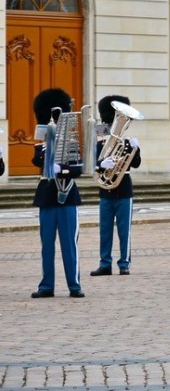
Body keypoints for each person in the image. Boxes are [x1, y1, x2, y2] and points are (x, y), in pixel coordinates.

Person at [31, 88, 85, 298]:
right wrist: (48, 152)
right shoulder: (41, 146)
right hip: (47, 196)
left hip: (67, 195)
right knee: (47, 246)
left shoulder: (71, 144)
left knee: (69, 244)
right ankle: (46, 286)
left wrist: (60, 169)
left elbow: (77, 170)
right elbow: (36, 160)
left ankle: (74, 284)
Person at [90, 95, 142, 277]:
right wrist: (100, 165)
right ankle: (105, 263)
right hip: (106, 189)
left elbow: (136, 164)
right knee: (105, 230)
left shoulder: (127, 142)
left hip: (124, 188)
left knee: (124, 230)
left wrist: (136, 150)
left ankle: (124, 263)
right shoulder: (100, 141)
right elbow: (92, 164)